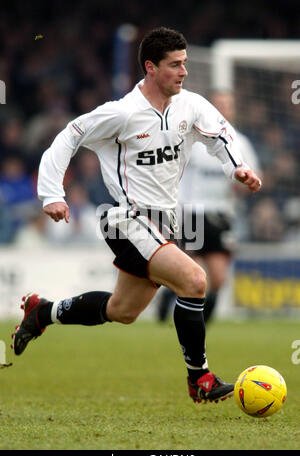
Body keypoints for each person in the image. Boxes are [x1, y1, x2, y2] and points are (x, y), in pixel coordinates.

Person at [12, 27, 261, 404]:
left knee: (122, 310)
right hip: (126, 219)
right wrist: (51, 193)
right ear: (151, 67)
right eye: (175, 65)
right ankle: (201, 379)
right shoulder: (121, 114)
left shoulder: (190, 106)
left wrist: (237, 168)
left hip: (165, 223)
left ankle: (42, 313)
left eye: (185, 63)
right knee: (195, 280)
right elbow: (68, 136)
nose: (184, 72)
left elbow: (220, 134)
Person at [157, 90, 261, 323]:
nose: (224, 108)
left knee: (218, 279)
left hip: (222, 214)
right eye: (219, 104)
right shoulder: (192, 138)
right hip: (192, 213)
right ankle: (181, 310)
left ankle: (198, 318)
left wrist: (245, 185)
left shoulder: (241, 142)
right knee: (194, 274)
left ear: (234, 109)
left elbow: (255, 178)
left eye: (228, 104)